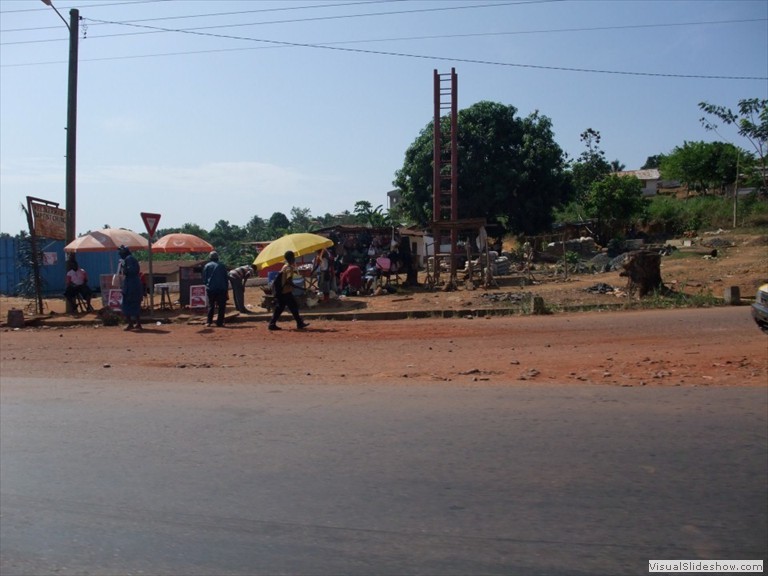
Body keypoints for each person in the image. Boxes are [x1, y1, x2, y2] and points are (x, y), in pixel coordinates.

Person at [268, 250, 309, 331]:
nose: (294, 259)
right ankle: (299, 323)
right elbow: (289, 281)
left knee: (280, 308)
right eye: (293, 257)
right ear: (291, 258)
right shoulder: (289, 268)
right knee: (293, 306)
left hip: (282, 291)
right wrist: (301, 288)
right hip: (285, 291)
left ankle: (272, 324)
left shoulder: (285, 266)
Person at [118, 245, 143, 330]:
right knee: (134, 304)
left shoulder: (129, 259)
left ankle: (131, 324)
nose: (119, 253)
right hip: (132, 283)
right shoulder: (129, 259)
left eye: (121, 251)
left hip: (132, 284)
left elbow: (131, 271)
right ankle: (137, 324)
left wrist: (124, 267)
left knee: (127, 304)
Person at [203, 251, 229, 327]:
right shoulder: (222, 266)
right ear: (217, 258)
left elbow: (204, 278)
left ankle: (209, 322)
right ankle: (220, 322)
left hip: (211, 289)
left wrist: (207, 285)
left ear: (210, 258)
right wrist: (226, 289)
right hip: (221, 288)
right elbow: (225, 278)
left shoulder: (207, 266)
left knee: (211, 305)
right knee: (221, 306)